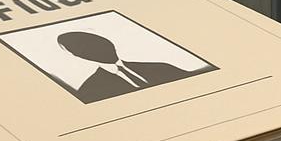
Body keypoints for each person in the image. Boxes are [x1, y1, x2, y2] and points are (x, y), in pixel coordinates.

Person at [55, 30, 206, 103]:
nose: (98, 47)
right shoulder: (90, 91)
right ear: (78, 55)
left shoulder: (161, 67)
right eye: (83, 47)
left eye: (98, 41)